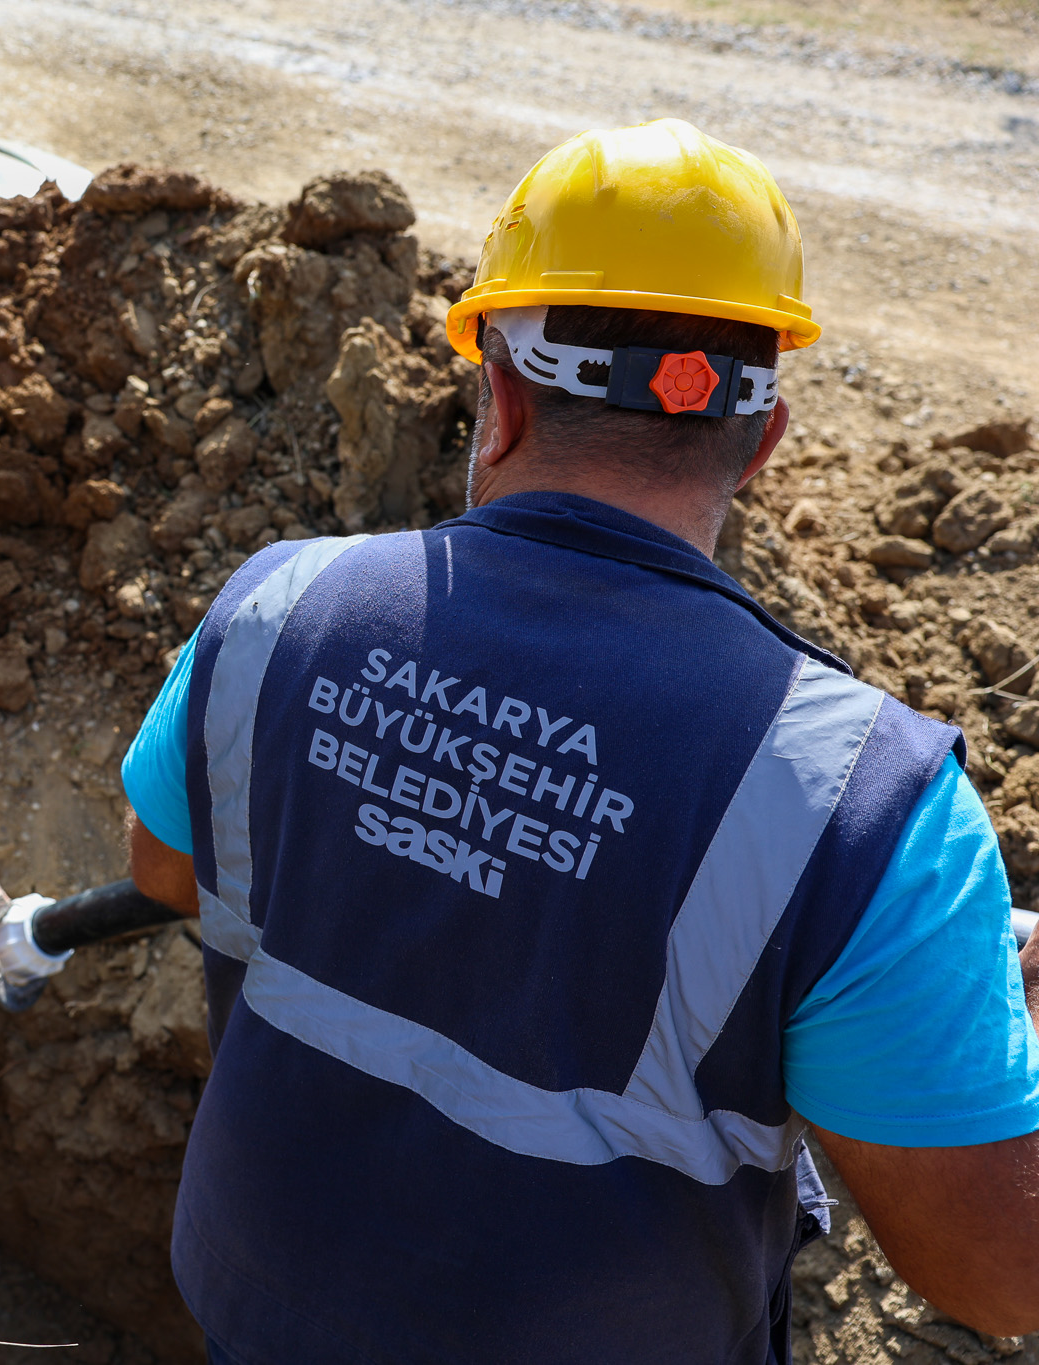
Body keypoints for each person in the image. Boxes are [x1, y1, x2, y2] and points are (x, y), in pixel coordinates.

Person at [120, 118, 1039, 1364]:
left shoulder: (273, 606)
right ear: (760, 442)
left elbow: (162, 872)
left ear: (493, 400)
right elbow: (996, 1281)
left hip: (255, 1307)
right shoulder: (866, 808)